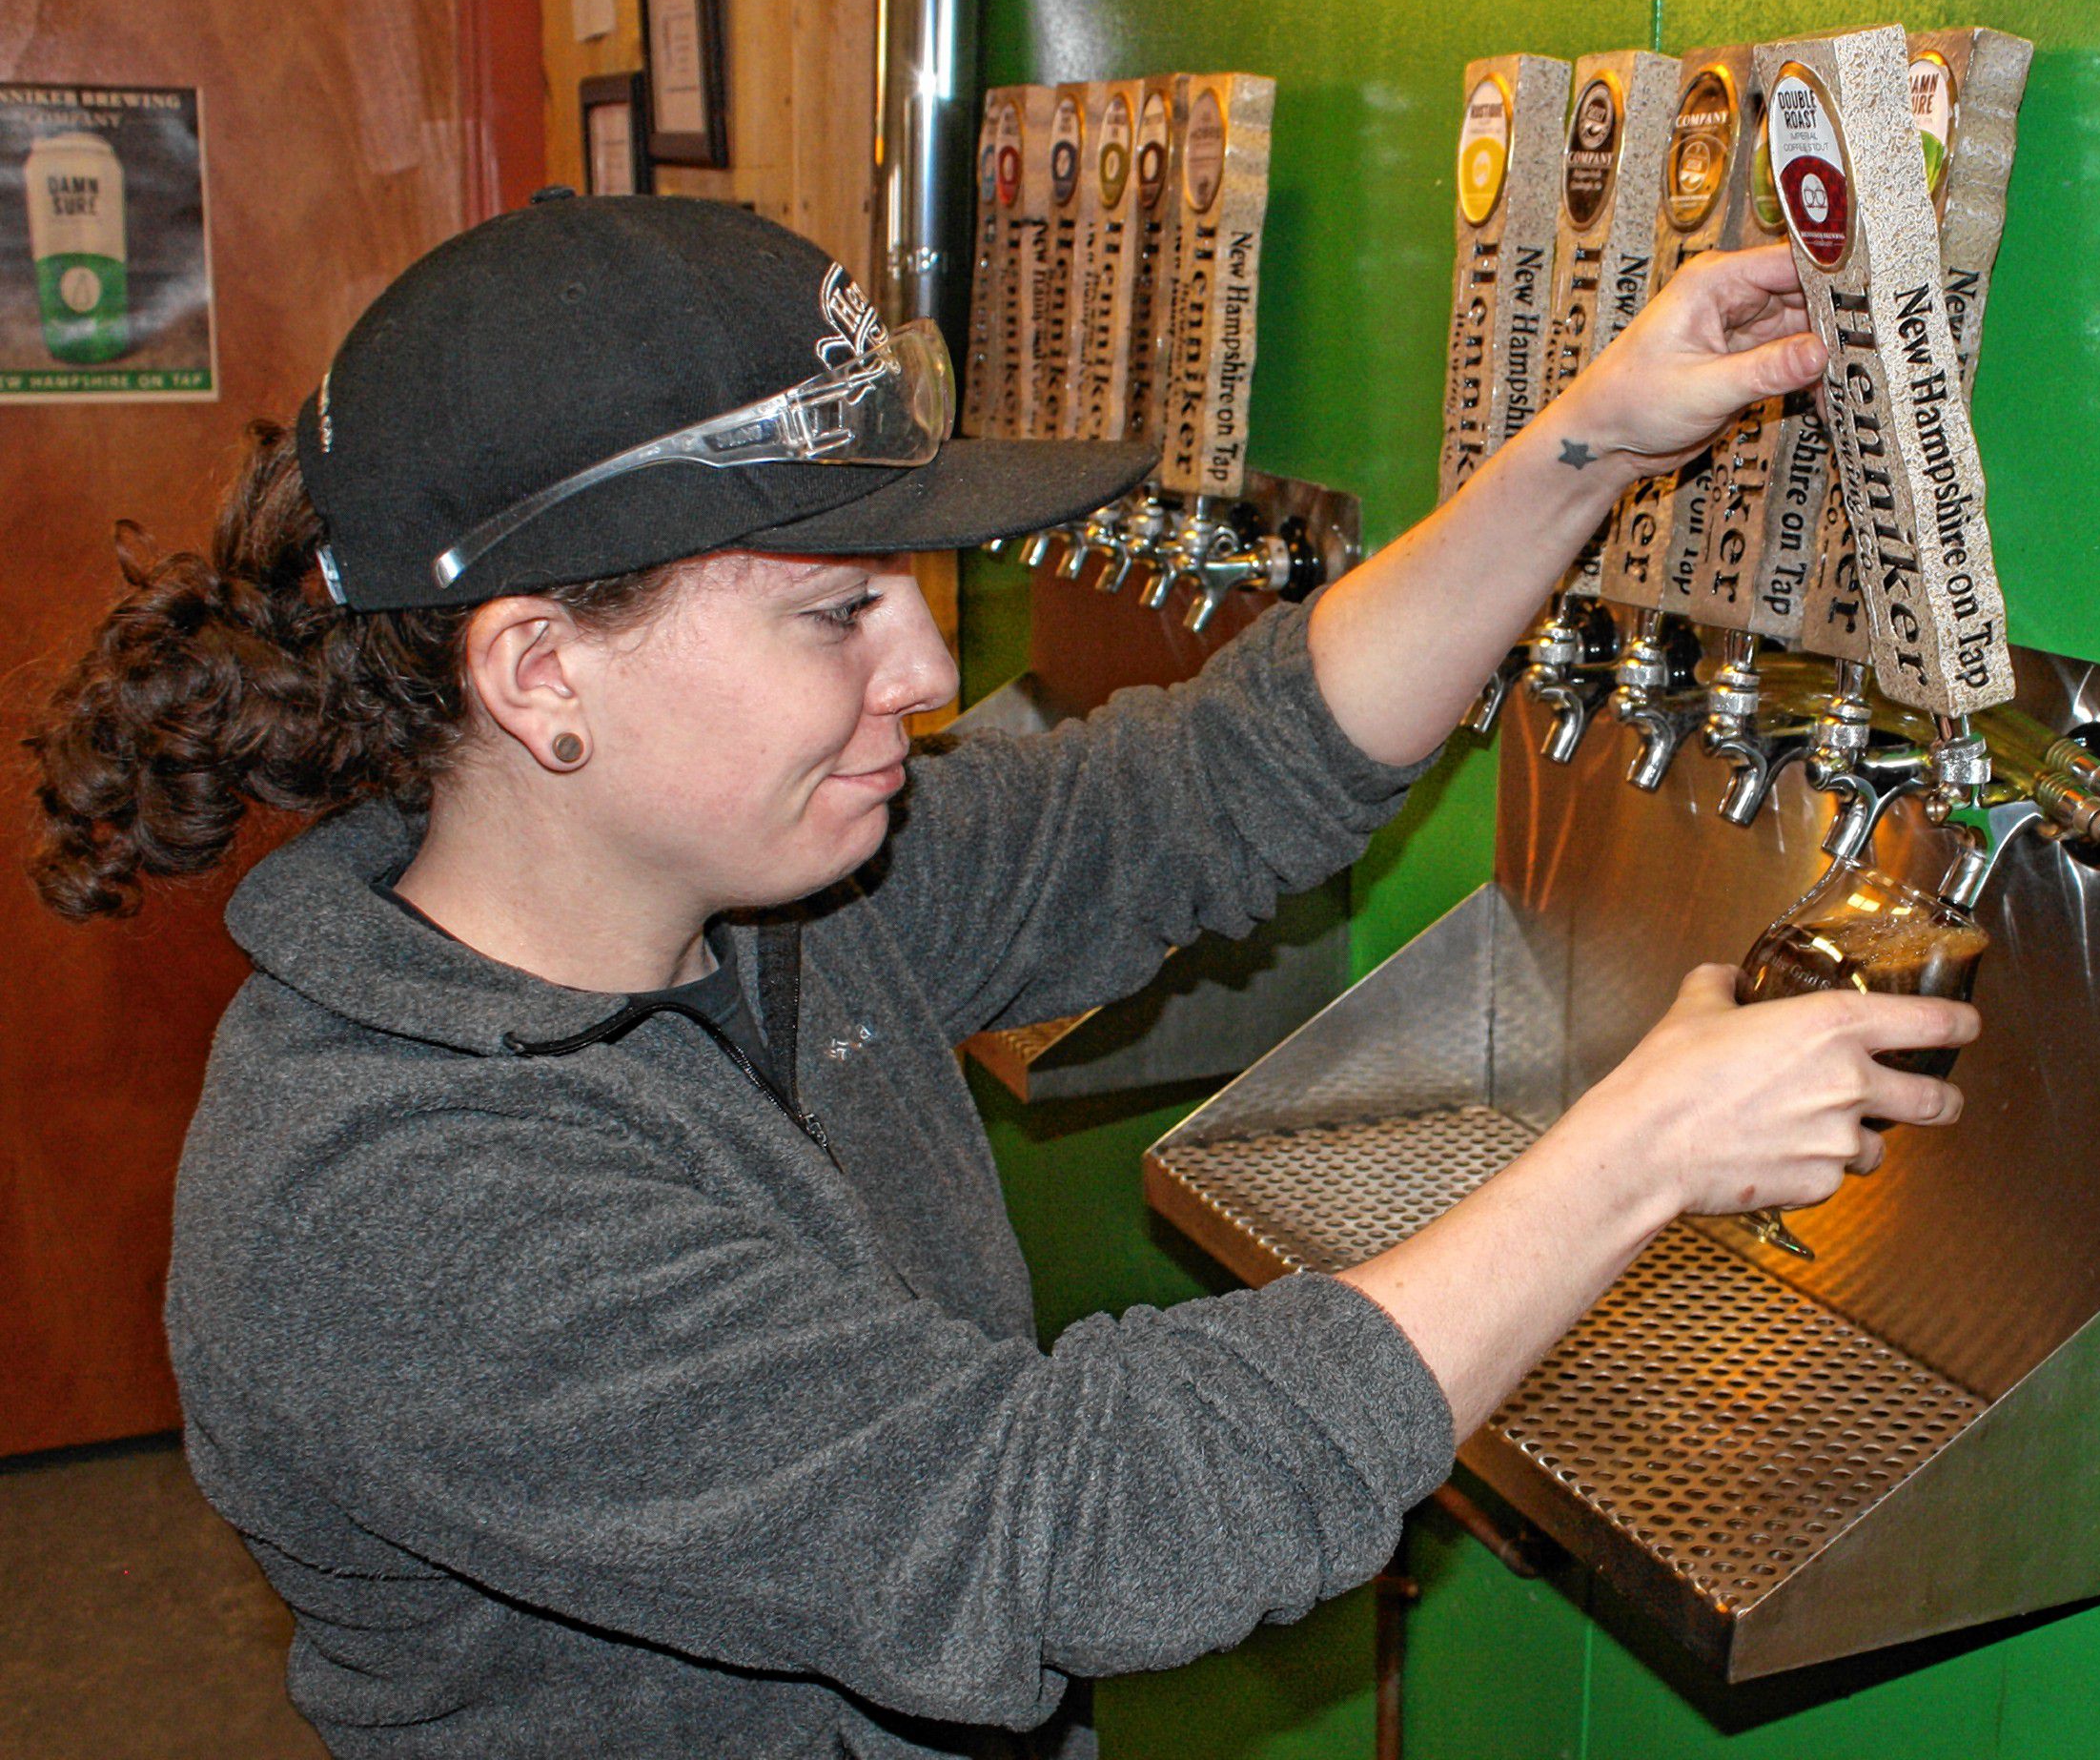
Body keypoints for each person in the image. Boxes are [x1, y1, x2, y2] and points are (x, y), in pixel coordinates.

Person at [27, 194, 1978, 1758]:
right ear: (541, 671)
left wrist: (1578, 454)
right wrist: (1629, 1157)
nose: (931, 675)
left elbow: (1209, 788)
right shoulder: (394, 1207)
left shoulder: (761, 896)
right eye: (832, 611)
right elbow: (1067, 1526)